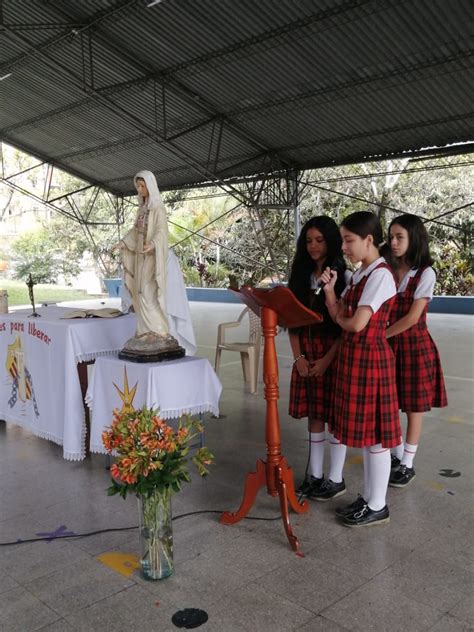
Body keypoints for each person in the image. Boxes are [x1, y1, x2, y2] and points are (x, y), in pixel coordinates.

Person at [321, 211, 400, 527]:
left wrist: (341, 318)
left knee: (377, 437)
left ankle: (378, 504)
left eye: (349, 240)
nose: (344, 247)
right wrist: (330, 290)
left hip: (370, 358)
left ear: (369, 240)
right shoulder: (360, 275)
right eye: (343, 240)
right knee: (369, 436)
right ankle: (369, 498)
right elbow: (339, 311)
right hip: (356, 359)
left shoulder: (380, 275)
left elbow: (355, 323)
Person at [288, 216, 348, 501]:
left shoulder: (342, 276)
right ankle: (314, 475)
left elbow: (343, 327)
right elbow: (291, 319)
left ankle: (335, 478)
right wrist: (298, 356)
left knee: (334, 415)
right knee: (314, 414)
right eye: (309, 240)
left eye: (319, 240)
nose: (313, 246)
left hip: (332, 353)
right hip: (306, 350)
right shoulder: (300, 274)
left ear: (331, 241)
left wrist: (326, 360)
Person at [385, 214, 447, 487]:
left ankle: (408, 462)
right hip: (390, 346)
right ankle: (397, 454)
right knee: (389, 402)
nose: (394, 242)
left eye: (400, 237)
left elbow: (412, 318)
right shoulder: (387, 269)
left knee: (413, 408)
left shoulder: (425, 273)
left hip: (413, 347)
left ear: (414, 239)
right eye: (391, 237)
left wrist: (380, 335)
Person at [117, 170, 169, 338]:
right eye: (137, 186)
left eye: (142, 186)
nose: (139, 190)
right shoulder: (141, 210)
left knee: (147, 292)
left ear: (150, 186)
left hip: (151, 256)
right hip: (139, 253)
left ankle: (159, 330)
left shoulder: (158, 209)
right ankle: (145, 331)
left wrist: (153, 244)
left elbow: (161, 231)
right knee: (138, 291)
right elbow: (136, 231)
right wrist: (124, 242)